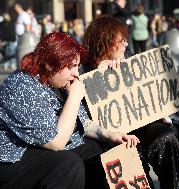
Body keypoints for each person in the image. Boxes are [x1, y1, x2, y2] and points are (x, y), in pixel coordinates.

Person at [0, 32, 139, 189]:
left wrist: (109, 135)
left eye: (77, 66)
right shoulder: (21, 88)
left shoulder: (56, 79)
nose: (76, 73)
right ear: (49, 65)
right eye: (70, 67)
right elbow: (56, 142)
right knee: (68, 166)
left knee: (106, 153)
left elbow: (82, 121)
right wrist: (74, 97)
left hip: (44, 144)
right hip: (14, 158)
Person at [83, 16, 179, 189]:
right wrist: (99, 76)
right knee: (129, 159)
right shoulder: (84, 69)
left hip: (139, 125)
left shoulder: (129, 58)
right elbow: (84, 116)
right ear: (106, 42)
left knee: (166, 137)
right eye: (122, 41)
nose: (126, 45)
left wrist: (162, 114)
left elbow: (151, 95)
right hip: (108, 134)